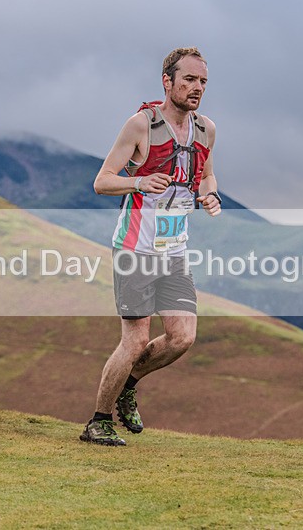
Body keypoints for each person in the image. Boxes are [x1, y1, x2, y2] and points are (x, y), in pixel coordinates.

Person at [82, 47, 222, 446]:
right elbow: (102, 181)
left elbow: (208, 176)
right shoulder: (140, 126)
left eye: (203, 82)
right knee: (136, 340)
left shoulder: (206, 130)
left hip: (174, 252)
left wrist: (211, 196)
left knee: (182, 337)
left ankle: (129, 385)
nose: (197, 89)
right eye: (190, 80)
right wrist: (139, 182)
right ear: (168, 81)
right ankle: (98, 421)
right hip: (135, 250)